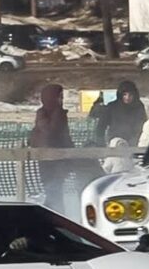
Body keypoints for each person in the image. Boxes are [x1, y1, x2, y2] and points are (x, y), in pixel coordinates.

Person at [30, 84, 101, 215]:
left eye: (62, 97)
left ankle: (60, 217)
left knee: (56, 191)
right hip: (51, 161)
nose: (61, 100)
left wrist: (73, 152)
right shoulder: (48, 114)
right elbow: (51, 134)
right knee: (53, 191)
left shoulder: (55, 113)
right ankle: (54, 219)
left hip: (59, 159)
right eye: (59, 97)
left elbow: (64, 138)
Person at [94, 80, 147, 146]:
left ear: (134, 95)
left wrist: (136, 141)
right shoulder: (112, 107)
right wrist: (101, 144)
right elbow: (101, 127)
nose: (127, 97)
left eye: (130, 95)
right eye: (125, 95)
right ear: (120, 95)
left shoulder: (139, 107)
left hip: (134, 142)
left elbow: (143, 126)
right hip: (115, 142)